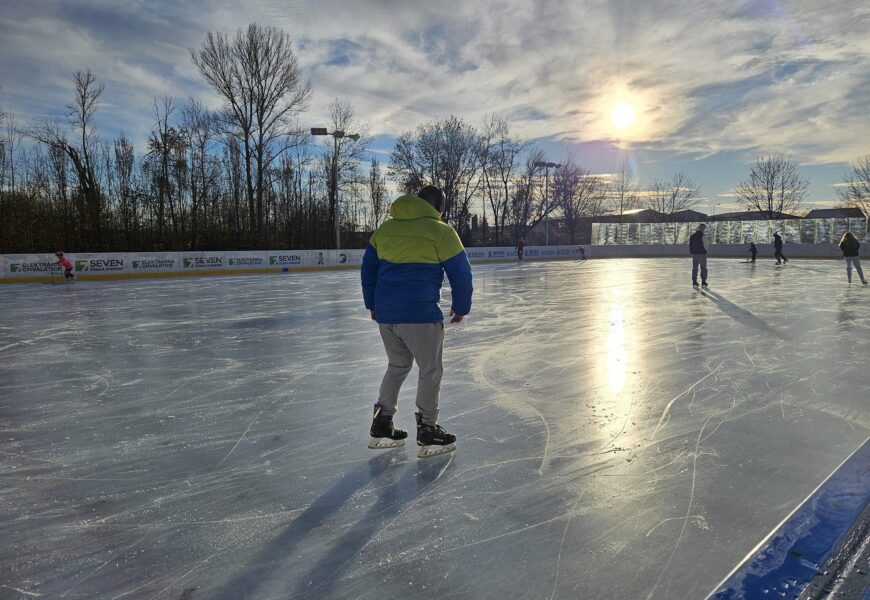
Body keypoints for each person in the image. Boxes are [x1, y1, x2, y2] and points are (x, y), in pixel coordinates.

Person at [361, 185, 473, 458]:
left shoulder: (384, 231)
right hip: (420, 315)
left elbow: (368, 271)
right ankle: (428, 429)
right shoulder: (441, 231)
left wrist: (373, 305)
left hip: (387, 316)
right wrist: (461, 307)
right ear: (439, 208)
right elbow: (461, 274)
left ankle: (382, 423)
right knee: (430, 370)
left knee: (397, 366)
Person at [689, 224, 708, 289]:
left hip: (695, 255)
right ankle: (703, 282)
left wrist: (692, 253)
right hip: (702, 254)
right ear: (703, 229)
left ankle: (694, 282)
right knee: (703, 268)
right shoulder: (703, 236)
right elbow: (706, 246)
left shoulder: (692, 236)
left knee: (695, 268)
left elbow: (690, 245)